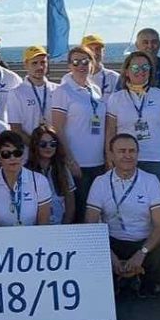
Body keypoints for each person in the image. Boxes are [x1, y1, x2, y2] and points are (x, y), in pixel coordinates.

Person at [86, 134, 160, 297]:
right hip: (112, 243)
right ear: (111, 155)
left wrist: (141, 253)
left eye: (132, 151)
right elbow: (90, 225)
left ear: (138, 154)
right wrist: (110, 257)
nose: (127, 155)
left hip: (143, 243)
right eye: (122, 151)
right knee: (87, 252)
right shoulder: (100, 182)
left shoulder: (151, 180)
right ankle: (122, 278)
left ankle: (143, 281)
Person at [105, 52, 160, 187]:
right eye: (135, 68)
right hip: (126, 159)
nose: (141, 71)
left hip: (158, 160)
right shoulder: (115, 98)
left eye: (145, 67)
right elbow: (110, 131)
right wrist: (110, 157)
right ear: (127, 72)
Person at [51, 46, 106, 221]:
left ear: (92, 63)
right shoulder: (62, 91)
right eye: (76, 62)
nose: (81, 65)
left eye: (85, 61)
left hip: (98, 161)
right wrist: (69, 160)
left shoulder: (95, 90)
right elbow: (57, 128)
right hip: (77, 163)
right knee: (79, 212)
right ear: (69, 65)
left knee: (96, 211)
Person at [0, 131, 52, 227]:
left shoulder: (39, 181)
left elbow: (44, 224)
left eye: (17, 153)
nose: (13, 158)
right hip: (0, 236)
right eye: (6, 154)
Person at [27, 125, 76, 225]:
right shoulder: (26, 171)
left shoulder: (63, 169)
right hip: (34, 227)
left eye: (52, 144)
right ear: (35, 145)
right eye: (43, 144)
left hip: (59, 226)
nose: (48, 147)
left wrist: (65, 225)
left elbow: (70, 203)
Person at [7, 46, 57, 141]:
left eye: (43, 62)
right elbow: (16, 128)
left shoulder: (58, 90)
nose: (40, 67)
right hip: (29, 149)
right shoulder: (16, 93)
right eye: (34, 63)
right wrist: (35, 147)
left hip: (54, 147)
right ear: (25, 65)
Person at [81, 34, 120, 99]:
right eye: (90, 49)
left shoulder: (114, 78)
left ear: (103, 52)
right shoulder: (72, 79)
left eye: (98, 49)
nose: (94, 53)